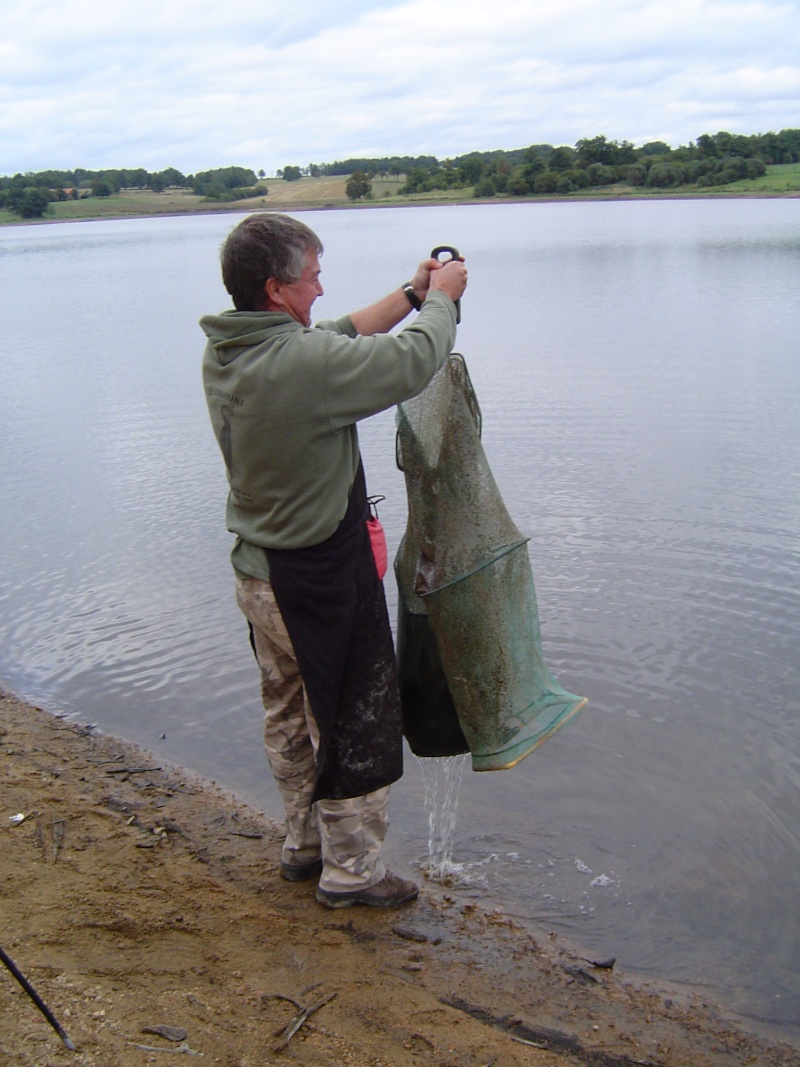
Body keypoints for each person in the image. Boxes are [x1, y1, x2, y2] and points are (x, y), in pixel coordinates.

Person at [200, 212, 467, 909]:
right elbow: (411, 362)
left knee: (288, 715)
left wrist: (410, 293)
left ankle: (303, 844)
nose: (320, 287)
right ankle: (354, 873)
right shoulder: (305, 365)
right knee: (351, 718)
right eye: (311, 276)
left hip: (258, 575)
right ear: (275, 288)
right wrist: (444, 301)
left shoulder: (230, 351)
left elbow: (339, 334)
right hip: (315, 582)